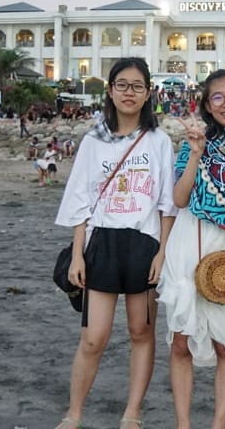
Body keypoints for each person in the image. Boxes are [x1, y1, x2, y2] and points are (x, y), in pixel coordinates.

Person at [54, 57, 177, 429]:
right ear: (109, 90)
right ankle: (74, 413)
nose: (129, 92)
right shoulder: (94, 141)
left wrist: (162, 253)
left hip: (144, 242)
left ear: (148, 94)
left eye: (137, 86)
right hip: (101, 243)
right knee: (94, 337)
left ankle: (133, 412)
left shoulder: (159, 141)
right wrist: (78, 255)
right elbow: (80, 201)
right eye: (122, 85)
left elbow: (167, 203)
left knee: (142, 332)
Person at [156, 69, 225, 429]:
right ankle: (183, 424)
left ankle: (219, 424)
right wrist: (195, 155)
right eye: (217, 97)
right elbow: (178, 198)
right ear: (207, 104)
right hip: (187, 242)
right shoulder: (193, 145)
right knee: (180, 342)